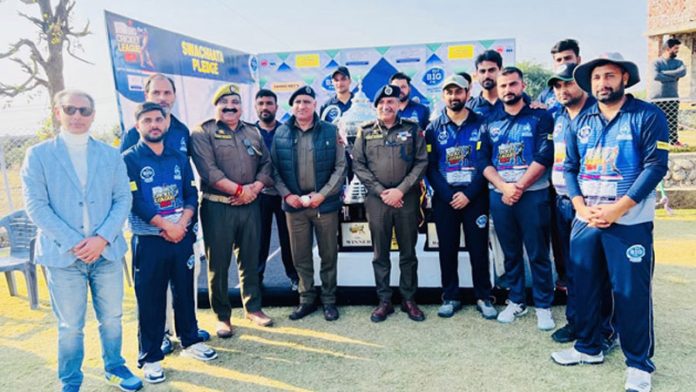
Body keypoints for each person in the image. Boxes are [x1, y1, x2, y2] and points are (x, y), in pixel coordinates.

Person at [551, 52, 669, 392]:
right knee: (585, 288)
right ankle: (588, 347)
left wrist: (619, 208)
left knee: (631, 293)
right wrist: (578, 205)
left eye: (610, 76)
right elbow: (570, 166)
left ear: (625, 79)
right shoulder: (581, 120)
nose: (603, 83)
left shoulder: (647, 115)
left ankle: (639, 364)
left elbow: (655, 166)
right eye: (598, 77)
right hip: (587, 218)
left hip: (628, 221)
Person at [21, 90, 142, 392]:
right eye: (70, 109)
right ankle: (71, 380)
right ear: (57, 112)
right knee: (70, 327)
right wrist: (76, 242)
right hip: (63, 257)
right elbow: (36, 206)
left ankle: (114, 367)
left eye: (84, 110)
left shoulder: (110, 154)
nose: (77, 116)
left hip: (107, 253)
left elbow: (122, 198)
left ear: (92, 115)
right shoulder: (38, 155)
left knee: (112, 318)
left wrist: (101, 238)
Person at [123, 102, 217, 384]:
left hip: (182, 235)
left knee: (185, 290)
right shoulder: (129, 159)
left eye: (158, 120)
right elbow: (135, 200)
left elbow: (191, 192)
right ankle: (150, 357)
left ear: (166, 124)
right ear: (138, 125)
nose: (154, 124)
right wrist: (166, 226)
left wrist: (182, 224)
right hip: (151, 239)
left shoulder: (178, 156)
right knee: (150, 298)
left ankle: (190, 340)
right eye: (148, 120)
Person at [190, 84, 274, 337]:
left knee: (250, 258)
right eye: (224, 101)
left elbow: (267, 164)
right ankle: (223, 316)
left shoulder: (253, 131)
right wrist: (240, 191)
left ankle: (253, 308)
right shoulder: (202, 132)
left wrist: (255, 188)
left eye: (235, 101)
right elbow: (209, 171)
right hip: (218, 207)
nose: (230, 106)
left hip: (250, 205)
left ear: (241, 106)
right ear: (216, 105)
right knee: (219, 263)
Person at [477, 67, 556, 331]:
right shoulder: (489, 120)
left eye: (513, 84)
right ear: (497, 90)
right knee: (510, 252)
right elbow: (483, 160)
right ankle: (516, 300)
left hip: (533, 194)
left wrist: (519, 186)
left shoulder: (540, 115)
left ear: (522, 86)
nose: (508, 90)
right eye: (503, 86)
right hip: (501, 197)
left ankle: (543, 305)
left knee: (538, 252)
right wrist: (504, 187)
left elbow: (545, 155)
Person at [546, 64, 618, 349]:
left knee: (598, 271)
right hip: (563, 202)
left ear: (583, 85)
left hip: (593, 204)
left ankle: (604, 327)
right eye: (557, 86)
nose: (563, 90)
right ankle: (576, 321)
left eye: (568, 84)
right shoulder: (559, 117)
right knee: (574, 269)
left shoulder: (599, 114)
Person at [352, 84, 428, 322]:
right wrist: (381, 191)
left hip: (407, 199)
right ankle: (384, 300)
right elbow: (358, 165)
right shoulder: (364, 131)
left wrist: (401, 190)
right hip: (377, 201)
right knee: (380, 253)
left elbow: (421, 162)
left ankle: (408, 299)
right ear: (376, 107)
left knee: (408, 252)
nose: (387, 106)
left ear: (398, 105)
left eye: (391, 102)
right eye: (382, 103)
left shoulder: (413, 129)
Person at [270, 85, 346, 321]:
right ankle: (306, 300)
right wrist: (286, 195)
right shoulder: (281, 133)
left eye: (306, 102)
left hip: (324, 205)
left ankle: (329, 301)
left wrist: (323, 194)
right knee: (300, 256)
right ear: (291, 107)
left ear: (315, 105)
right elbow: (273, 169)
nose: (302, 106)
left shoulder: (330, 131)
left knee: (328, 255)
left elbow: (341, 167)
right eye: (297, 102)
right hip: (295, 206)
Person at [425, 75, 497, 320]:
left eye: (458, 92)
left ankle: (484, 296)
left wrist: (468, 194)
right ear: (443, 95)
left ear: (467, 93)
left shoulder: (482, 123)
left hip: (475, 197)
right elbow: (431, 168)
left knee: (478, 249)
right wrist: (448, 195)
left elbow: (486, 162)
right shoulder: (433, 128)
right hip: (445, 199)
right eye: (449, 92)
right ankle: (450, 296)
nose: (454, 97)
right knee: (447, 248)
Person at [254, 89, 299, 290]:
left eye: (269, 103)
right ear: (256, 107)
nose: (265, 107)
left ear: (276, 107)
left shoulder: (287, 131)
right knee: (259, 239)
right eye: (261, 103)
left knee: (288, 238)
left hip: (284, 194)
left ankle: (294, 277)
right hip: (258, 195)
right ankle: (256, 278)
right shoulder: (248, 132)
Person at [650, 38, 686, 146]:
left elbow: (682, 72)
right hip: (657, 98)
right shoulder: (656, 62)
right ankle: (654, 143)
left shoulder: (679, 62)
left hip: (673, 97)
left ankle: (673, 142)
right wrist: (673, 77)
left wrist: (664, 74)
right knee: (656, 122)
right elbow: (655, 76)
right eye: (675, 48)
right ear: (667, 48)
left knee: (672, 121)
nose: (677, 51)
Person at [535, 39, 582, 113]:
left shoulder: (590, 89)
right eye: (559, 60)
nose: (563, 62)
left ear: (578, 60)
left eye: (568, 58)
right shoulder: (547, 93)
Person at [466, 50, 505, 119]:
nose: (487, 76)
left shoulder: (513, 102)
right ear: (477, 73)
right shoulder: (469, 108)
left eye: (491, 70)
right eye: (482, 71)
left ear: (501, 70)